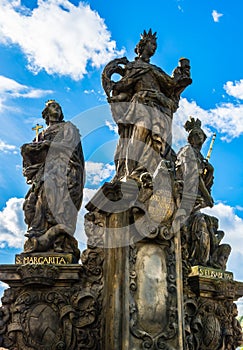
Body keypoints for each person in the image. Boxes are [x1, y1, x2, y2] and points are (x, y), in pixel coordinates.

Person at [102, 29, 192, 183]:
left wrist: (182, 72)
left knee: (161, 138)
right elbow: (124, 86)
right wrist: (115, 93)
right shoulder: (133, 66)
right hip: (141, 104)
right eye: (152, 44)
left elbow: (170, 86)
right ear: (143, 45)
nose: (154, 47)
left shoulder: (156, 70)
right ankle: (132, 172)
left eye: (156, 45)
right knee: (141, 131)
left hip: (159, 107)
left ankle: (155, 170)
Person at [21, 100, 84, 258]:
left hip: (63, 170)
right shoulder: (41, 134)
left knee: (54, 201)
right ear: (46, 114)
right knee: (32, 203)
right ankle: (37, 235)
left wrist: (49, 145)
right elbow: (35, 158)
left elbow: (70, 148)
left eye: (58, 107)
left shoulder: (67, 128)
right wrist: (31, 150)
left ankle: (58, 241)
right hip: (44, 172)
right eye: (53, 107)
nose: (57, 109)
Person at [176, 117, 214, 211]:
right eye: (195, 134)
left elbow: (204, 181)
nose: (199, 136)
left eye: (200, 133)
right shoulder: (188, 151)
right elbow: (194, 175)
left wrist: (210, 171)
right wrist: (207, 196)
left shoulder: (200, 156)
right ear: (191, 139)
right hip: (184, 190)